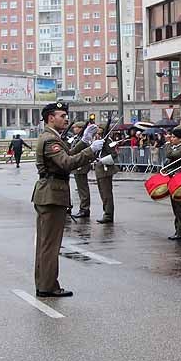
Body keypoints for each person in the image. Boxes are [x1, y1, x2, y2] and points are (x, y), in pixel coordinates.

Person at [31, 102, 104, 297]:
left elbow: (67, 154)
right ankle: (47, 287)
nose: (66, 119)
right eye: (62, 115)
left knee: (46, 243)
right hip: (51, 195)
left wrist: (84, 142)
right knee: (50, 244)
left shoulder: (52, 138)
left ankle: (45, 284)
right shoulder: (49, 139)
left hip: (49, 193)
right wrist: (91, 151)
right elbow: (67, 162)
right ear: (50, 118)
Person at [93, 126, 119, 224]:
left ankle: (108, 215)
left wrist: (103, 160)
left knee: (106, 194)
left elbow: (114, 154)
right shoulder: (99, 140)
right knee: (103, 194)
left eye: (100, 129)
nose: (98, 131)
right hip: (99, 170)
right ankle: (106, 213)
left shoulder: (107, 141)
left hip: (105, 170)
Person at [69, 122, 92, 219]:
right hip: (77, 165)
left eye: (76, 127)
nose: (74, 129)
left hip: (81, 166)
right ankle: (83, 208)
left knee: (83, 189)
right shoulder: (77, 138)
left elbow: (83, 152)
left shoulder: (84, 139)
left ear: (81, 128)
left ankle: (84, 209)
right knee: (81, 188)